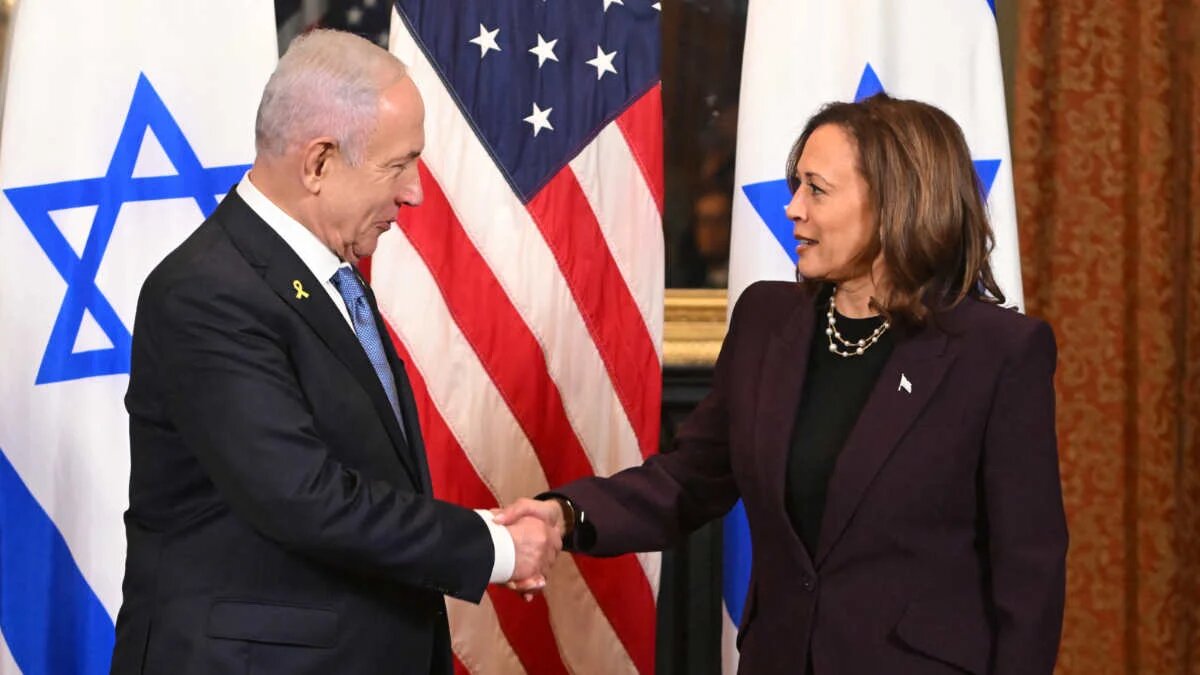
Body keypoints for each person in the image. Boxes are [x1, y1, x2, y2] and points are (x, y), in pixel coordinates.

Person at [499, 94, 1069, 674]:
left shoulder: (995, 352)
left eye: (816, 189)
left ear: (897, 200)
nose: (792, 208)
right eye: (796, 186)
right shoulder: (768, 319)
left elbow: (1029, 572)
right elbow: (691, 478)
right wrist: (565, 516)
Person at [110, 30, 559, 675]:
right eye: (397, 165)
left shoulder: (329, 275)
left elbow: (360, 471)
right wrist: (495, 547)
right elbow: (302, 496)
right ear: (318, 163)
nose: (415, 193)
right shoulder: (207, 292)